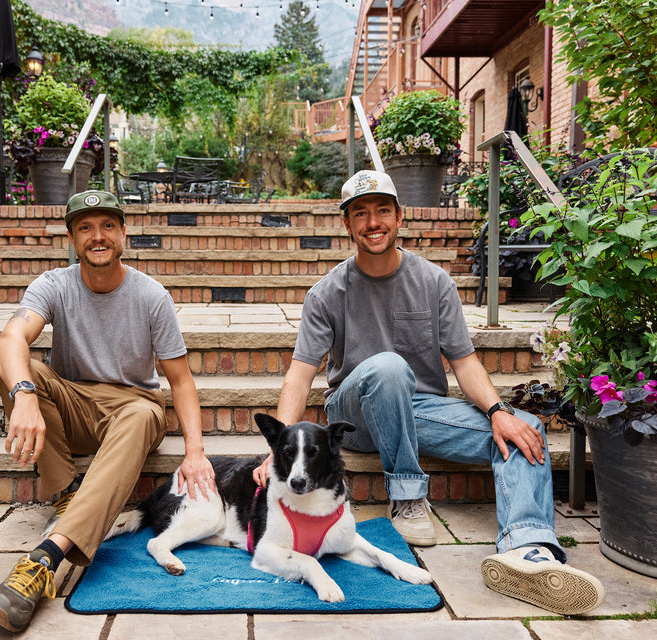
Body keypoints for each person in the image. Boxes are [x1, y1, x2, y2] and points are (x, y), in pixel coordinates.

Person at [254, 170, 604, 615]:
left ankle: (527, 551)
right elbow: (300, 375)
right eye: (360, 213)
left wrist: (498, 411)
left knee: (526, 427)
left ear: (400, 216)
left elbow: (464, 362)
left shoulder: (434, 282)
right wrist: (279, 448)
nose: (372, 222)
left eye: (382, 210)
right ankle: (408, 498)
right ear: (347, 224)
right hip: (355, 414)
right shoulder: (327, 293)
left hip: (419, 411)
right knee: (388, 366)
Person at [0, 190, 215, 632]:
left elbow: (180, 380)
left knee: (144, 414)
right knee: (19, 367)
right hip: (73, 401)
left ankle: (45, 560)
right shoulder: (54, 284)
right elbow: (10, 340)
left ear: (124, 233)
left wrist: (196, 451)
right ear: (72, 238)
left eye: (107, 225)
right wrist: (26, 394)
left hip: (132, 406)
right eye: (85, 227)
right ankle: (69, 491)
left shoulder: (151, 295)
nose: (98, 236)